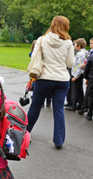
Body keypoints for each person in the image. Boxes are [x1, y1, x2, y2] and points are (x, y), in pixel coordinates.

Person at [27, 16, 75, 150]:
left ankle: (25, 133)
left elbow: (34, 55)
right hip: (62, 79)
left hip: (44, 77)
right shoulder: (68, 42)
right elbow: (70, 63)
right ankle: (59, 140)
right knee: (59, 109)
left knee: (35, 106)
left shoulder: (42, 39)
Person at [66, 38, 88, 111]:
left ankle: (73, 105)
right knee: (79, 90)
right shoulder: (85, 52)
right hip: (80, 74)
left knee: (74, 91)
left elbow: (78, 66)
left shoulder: (80, 54)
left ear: (79, 46)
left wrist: (75, 76)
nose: (74, 46)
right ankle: (80, 103)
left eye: (75, 45)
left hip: (77, 74)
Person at [78, 37, 93, 115]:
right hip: (91, 74)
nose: (92, 45)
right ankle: (85, 107)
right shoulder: (90, 51)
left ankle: (86, 108)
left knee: (89, 93)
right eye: (91, 43)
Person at [29, 40, 51, 107]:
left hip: (39, 71)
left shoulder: (37, 53)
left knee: (40, 87)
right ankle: (46, 101)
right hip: (42, 71)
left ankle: (44, 102)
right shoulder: (35, 53)